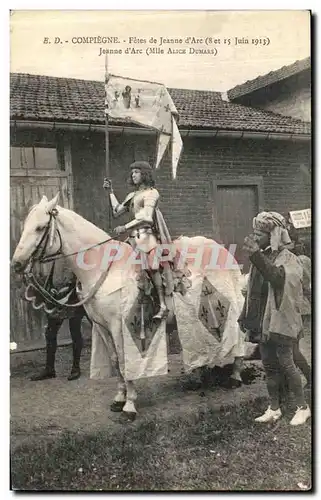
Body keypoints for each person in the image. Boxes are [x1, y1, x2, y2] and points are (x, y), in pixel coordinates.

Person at [239, 211, 310, 426]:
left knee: (287, 363)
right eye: (254, 232)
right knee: (269, 365)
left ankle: (302, 407)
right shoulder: (263, 254)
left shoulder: (288, 256)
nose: (255, 236)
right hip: (263, 318)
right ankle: (274, 407)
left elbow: (278, 279)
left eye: (260, 233)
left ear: (274, 234)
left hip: (280, 318)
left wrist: (257, 256)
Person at [103, 161, 173, 320]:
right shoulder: (132, 196)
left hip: (147, 237)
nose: (133, 175)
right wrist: (110, 192)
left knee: (152, 267)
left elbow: (146, 217)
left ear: (145, 174)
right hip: (133, 238)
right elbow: (116, 212)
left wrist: (125, 226)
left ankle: (162, 305)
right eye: (132, 172)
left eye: (137, 172)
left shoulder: (152, 193)